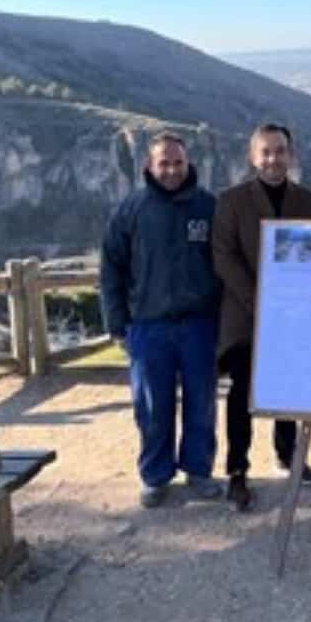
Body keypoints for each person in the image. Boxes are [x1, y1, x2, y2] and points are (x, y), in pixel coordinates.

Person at [99, 131, 223, 508]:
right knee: (152, 407)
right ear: (149, 166)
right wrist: (116, 323)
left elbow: (224, 266)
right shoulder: (130, 210)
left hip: (200, 324)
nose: (171, 170)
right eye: (164, 163)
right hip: (148, 326)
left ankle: (198, 470)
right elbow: (111, 268)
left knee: (202, 403)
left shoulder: (208, 207)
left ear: (189, 164)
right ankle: (155, 475)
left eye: (178, 162)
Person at [212, 123, 311, 510]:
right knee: (242, 396)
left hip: (294, 316)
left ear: (291, 155)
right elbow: (224, 257)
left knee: (290, 392)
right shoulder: (231, 201)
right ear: (253, 157)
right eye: (266, 152)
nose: (274, 159)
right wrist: (260, 303)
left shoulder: (308, 202)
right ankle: (237, 472)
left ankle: (289, 456)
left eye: (280, 151)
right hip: (247, 318)